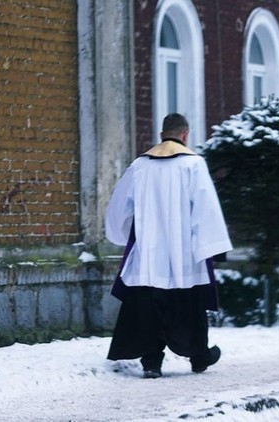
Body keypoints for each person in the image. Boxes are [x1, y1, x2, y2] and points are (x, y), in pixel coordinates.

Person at [105, 113, 233, 379]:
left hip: (149, 255)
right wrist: (212, 245)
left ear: (162, 134)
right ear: (185, 135)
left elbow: (119, 205)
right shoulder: (194, 165)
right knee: (190, 308)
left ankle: (151, 362)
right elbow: (205, 207)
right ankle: (199, 357)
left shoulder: (140, 165)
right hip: (183, 255)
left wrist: (120, 233)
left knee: (148, 308)